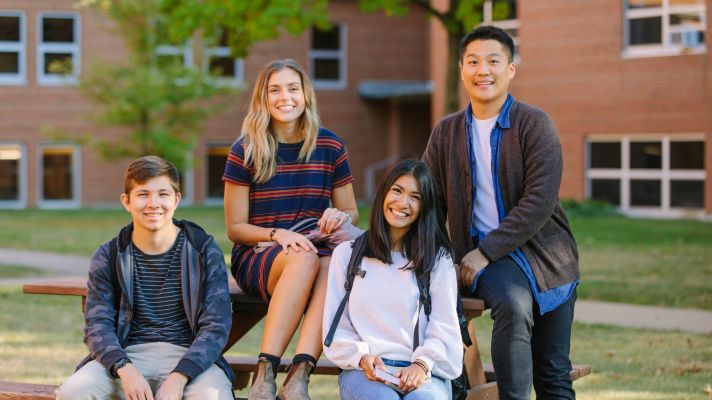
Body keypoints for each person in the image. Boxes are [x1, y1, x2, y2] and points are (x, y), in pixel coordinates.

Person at [422, 26, 580, 400]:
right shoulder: (446, 133)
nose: (483, 71)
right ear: (461, 69)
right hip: (489, 263)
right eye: (473, 62)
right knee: (512, 303)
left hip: (548, 257)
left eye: (494, 61)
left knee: (554, 373)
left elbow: (539, 201)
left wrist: (485, 251)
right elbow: (429, 199)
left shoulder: (534, 124)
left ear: (511, 70)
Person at [223, 59, 358, 400]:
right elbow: (235, 229)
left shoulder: (330, 146)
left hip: (316, 249)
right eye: (275, 90)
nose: (285, 97)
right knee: (304, 260)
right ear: (263, 98)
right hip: (260, 255)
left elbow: (351, 211)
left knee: (332, 264)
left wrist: (338, 217)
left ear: (305, 95)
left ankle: (299, 376)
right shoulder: (245, 149)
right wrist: (276, 235)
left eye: (293, 88)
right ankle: (264, 373)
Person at [55, 156, 234, 400]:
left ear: (176, 199)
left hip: (188, 355)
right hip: (127, 355)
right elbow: (98, 324)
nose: (154, 203)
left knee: (213, 397)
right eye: (142, 195)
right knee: (74, 392)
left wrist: (180, 377)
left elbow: (216, 326)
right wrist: (125, 369)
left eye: (163, 194)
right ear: (126, 202)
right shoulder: (109, 255)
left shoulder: (203, 250)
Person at [322, 159, 463, 400]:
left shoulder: (437, 259)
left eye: (415, 197)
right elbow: (337, 328)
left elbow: (445, 326)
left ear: (424, 207)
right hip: (363, 372)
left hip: (425, 372)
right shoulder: (348, 254)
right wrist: (362, 358)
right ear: (384, 194)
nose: (402, 203)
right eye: (397, 191)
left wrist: (421, 364)